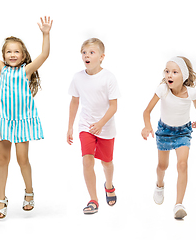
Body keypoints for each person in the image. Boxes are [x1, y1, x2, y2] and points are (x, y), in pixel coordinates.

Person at [0, 12, 52, 219]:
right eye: (9, 51)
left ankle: (29, 192)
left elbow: (44, 55)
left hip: (22, 122)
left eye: (16, 51)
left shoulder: (26, 70)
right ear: (3, 55)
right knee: (2, 159)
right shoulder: (1, 69)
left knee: (22, 159)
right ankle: (1, 199)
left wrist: (46, 34)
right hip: (4, 121)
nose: (12, 55)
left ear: (23, 55)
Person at [141, 56, 196, 219]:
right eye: (167, 71)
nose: (169, 75)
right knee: (163, 166)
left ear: (184, 75)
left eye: (174, 72)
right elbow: (147, 111)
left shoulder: (191, 93)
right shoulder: (163, 89)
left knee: (182, 165)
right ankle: (159, 185)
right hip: (164, 131)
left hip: (183, 131)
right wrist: (147, 126)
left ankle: (178, 204)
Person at [66, 38, 120, 214]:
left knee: (106, 163)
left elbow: (114, 106)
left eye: (91, 52)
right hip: (86, 126)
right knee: (87, 160)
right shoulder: (77, 78)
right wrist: (70, 127)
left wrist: (101, 123)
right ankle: (93, 200)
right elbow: (74, 102)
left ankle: (109, 185)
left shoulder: (109, 77)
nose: (86, 56)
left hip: (105, 127)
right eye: (84, 52)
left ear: (102, 56)